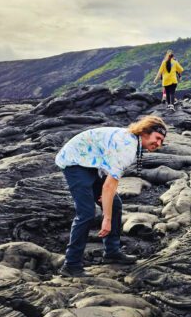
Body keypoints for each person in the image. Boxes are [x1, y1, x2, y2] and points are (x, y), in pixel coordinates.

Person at [55, 116, 168, 277]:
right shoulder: (127, 148)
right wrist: (106, 219)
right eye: (157, 138)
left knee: (114, 204)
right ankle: (71, 264)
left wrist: (105, 197)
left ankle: (112, 252)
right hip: (75, 162)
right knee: (86, 213)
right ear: (145, 132)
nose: (159, 144)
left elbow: (107, 165)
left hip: (91, 163)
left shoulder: (133, 140)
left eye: (162, 141)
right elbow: (109, 185)